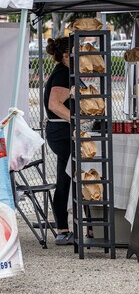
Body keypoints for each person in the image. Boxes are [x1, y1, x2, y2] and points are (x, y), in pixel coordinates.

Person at [43, 37, 74, 245]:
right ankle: (63, 229)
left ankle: (64, 228)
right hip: (61, 132)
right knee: (66, 177)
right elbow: (55, 104)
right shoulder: (63, 73)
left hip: (60, 131)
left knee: (66, 177)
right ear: (65, 56)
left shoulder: (64, 73)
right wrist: (77, 119)